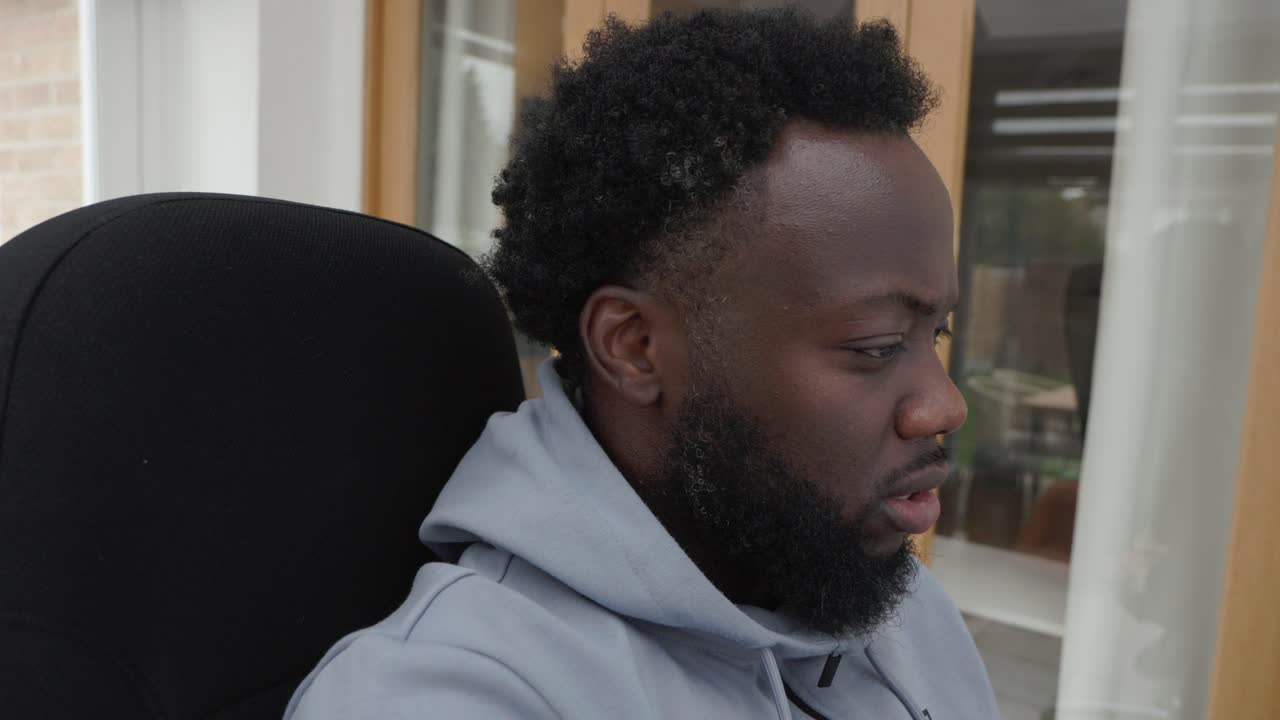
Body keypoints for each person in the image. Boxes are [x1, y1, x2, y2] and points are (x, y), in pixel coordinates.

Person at [288, 8, 998, 719]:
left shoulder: (897, 613)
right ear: (635, 347)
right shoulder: (441, 693)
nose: (944, 406)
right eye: (874, 346)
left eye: (934, 334)